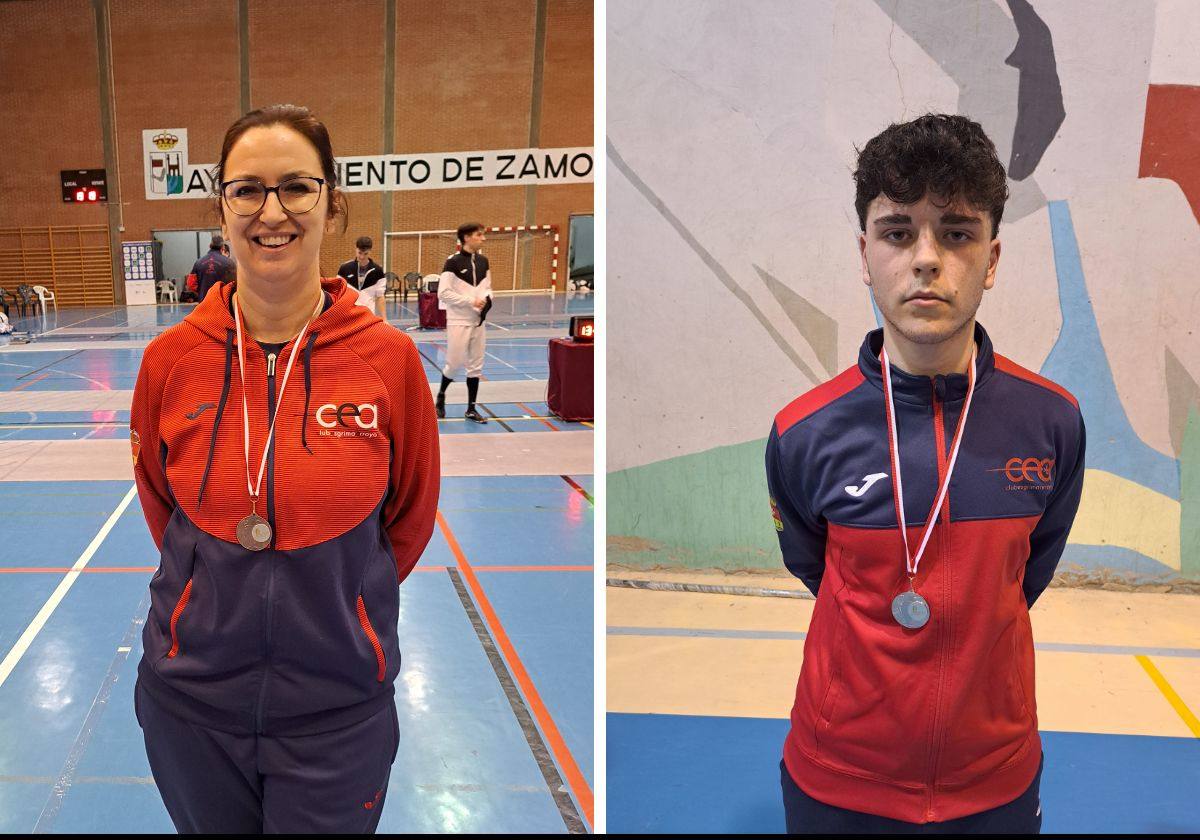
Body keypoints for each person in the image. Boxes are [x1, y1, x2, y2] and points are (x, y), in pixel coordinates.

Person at [765, 114, 1086, 834]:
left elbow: (1026, 576)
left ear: (992, 259)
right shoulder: (803, 432)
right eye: (899, 232)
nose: (926, 259)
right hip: (838, 780)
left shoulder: (1053, 422)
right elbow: (816, 570)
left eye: (958, 233)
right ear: (865, 252)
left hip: (994, 780)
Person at [129, 104, 440, 833]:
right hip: (190, 707)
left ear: (333, 205)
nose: (272, 212)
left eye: (296, 187)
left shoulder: (388, 362)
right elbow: (162, 509)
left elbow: (409, 519)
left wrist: (336, 609)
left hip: (338, 713)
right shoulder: (168, 362)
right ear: (222, 208)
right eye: (248, 190)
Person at [434, 222, 492, 423]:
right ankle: (441, 397)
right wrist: (470, 301)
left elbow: (487, 288)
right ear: (467, 238)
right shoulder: (453, 263)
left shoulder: (484, 262)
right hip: (458, 321)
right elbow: (444, 293)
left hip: (478, 322)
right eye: (479, 235)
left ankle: (471, 409)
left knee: (476, 365)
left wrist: (488, 300)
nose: (483, 238)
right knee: (454, 363)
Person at [338, 236, 388, 318]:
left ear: (370, 251)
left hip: (368, 315)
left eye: (365, 254)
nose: (362, 257)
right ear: (356, 249)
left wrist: (384, 318)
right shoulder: (344, 268)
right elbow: (338, 293)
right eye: (359, 253)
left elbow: (380, 297)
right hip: (349, 315)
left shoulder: (378, 271)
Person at [190, 233, 236, 301]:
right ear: (223, 247)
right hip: (222, 303)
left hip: (204, 301)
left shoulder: (198, 262)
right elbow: (234, 283)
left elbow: (191, 283)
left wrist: (201, 291)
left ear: (210, 246)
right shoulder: (229, 263)